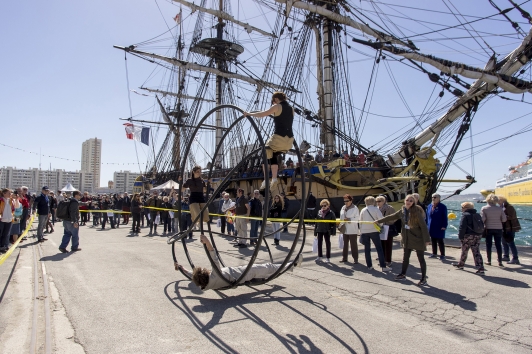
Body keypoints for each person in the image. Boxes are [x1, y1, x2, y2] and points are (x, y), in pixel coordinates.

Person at [176, 235, 303, 291]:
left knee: (265, 270)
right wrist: (207, 242)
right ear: (206, 274)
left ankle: (288, 267)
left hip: (239, 275)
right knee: (268, 267)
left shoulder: (204, 286)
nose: (208, 270)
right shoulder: (215, 275)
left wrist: (181, 268)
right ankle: (292, 265)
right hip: (244, 273)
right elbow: (213, 257)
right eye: (206, 271)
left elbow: (190, 276)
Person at [244, 92, 295, 191]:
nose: (273, 103)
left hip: (278, 139)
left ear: (276, 99)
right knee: (273, 154)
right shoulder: (291, 109)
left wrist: (249, 114)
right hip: (289, 141)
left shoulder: (277, 106)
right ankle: (274, 178)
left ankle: (266, 179)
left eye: (273, 101)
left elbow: (262, 114)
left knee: (265, 151)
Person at [376, 194, 431, 285]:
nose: (408, 202)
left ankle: (423, 278)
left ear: (413, 202)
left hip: (417, 238)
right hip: (407, 238)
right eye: (407, 200)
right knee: (405, 258)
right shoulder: (402, 211)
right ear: (404, 201)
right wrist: (379, 221)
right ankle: (403, 274)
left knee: (421, 258)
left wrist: (427, 239)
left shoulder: (416, 212)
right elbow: (392, 216)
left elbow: (423, 226)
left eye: (411, 201)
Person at [452, 202, 486, 275]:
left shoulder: (465, 215)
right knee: (476, 251)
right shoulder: (477, 215)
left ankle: (461, 264)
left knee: (464, 250)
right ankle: (480, 267)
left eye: (462, 208)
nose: (461, 209)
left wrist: (460, 236)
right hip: (477, 235)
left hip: (468, 235)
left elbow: (462, 227)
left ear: (466, 208)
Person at [359, 196, 391, 272]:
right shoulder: (376, 209)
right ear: (373, 202)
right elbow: (381, 220)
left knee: (367, 249)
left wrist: (361, 231)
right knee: (379, 248)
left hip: (365, 231)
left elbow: (360, 221)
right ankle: (383, 266)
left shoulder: (363, 210)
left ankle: (369, 266)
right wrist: (379, 227)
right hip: (374, 231)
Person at [480, 194, 507, 267]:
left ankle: (489, 260)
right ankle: (500, 261)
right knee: (498, 244)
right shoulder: (500, 209)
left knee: (489, 244)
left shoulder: (484, 208)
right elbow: (504, 219)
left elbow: (483, 219)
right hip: (498, 228)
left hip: (488, 228)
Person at [498, 196, 520, 264]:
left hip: (510, 227)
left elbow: (512, 216)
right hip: (504, 227)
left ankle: (515, 258)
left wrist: (503, 217)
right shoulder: (501, 207)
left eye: (498, 201)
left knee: (510, 242)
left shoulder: (509, 207)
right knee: (504, 242)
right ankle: (506, 256)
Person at [426, 193, 448, 260]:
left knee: (440, 241)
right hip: (431, 226)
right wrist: (425, 224)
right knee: (433, 240)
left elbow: (445, 217)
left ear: (439, 198)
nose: (433, 198)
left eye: (435, 197)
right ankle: (434, 253)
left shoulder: (442, 207)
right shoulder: (429, 206)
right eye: (432, 197)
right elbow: (427, 216)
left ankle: (442, 255)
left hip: (439, 226)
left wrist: (444, 225)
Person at [339, 194, 360, 264]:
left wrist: (350, 219)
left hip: (352, 229)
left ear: (351, 200)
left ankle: (355, 258)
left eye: (347, 200)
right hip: (345, 228)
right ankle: (344, 258)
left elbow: (357, 218)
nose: (346, 202)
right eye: (344, 201)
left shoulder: (355, 208)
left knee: (353, 244)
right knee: (345, 244)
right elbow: (341, 217)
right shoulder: (343, 207)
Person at [314, 199, 336, 263]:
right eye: (322, 205)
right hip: (320, 230)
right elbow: (316, 222)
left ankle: (328, 257)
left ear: (328, 205)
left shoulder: (331, 213)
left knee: (328, 244)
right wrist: (315, 232)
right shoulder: (319, 212)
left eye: (325, 205)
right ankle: (319, 256)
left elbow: (333, 223)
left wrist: (333, 232)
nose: (323, 207)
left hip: (327, 230)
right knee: (319, 244)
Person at [376, 195, 396, 267]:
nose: (378, 203)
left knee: (388, 245)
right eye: (377, 201)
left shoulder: (389, 208)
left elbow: (395, 217)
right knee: (381, 244)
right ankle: (382, 259)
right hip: (380, 228)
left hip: (388, 227)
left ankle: (388, 260)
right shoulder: (377, 208)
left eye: (379, 201)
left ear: (384, 201)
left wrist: (388, 222)